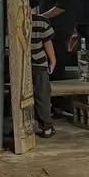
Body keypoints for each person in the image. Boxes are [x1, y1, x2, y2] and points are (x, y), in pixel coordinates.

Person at [30, 8, 57, 138]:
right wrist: (53, 60)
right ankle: (46, 128)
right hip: (39, 64)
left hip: (19, 65)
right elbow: (47, 43)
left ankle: (21, 126)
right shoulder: (42, 22)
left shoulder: (13, 19)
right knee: (42, 95)